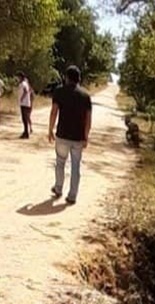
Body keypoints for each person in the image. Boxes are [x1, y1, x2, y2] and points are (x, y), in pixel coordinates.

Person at [47, 66, 92, 205]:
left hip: (62, 135)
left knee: (60, 162)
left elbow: (54, 112)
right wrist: (86, 136)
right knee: (75, 166)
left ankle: (58, 188)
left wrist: (50, 129)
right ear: (79, 79)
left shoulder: (59, 92)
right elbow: (88, 119)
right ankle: (72, 196)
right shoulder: (85, 96)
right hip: (78, 138)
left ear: (66, 77)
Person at [17, 72, 33, 139]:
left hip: (24, 103)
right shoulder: (24, 83)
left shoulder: (23, 84)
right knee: (24, 118)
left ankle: (26, 133)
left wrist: (21, 98)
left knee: (25, 118)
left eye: (18, 77)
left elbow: (26, 91)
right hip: (25, 103)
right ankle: (25, 131)